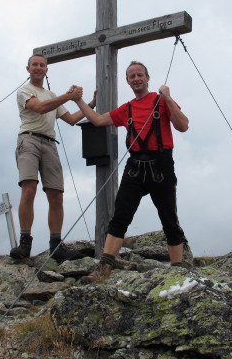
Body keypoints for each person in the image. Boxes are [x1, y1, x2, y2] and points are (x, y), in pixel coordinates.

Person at [73, 60, 189, 283]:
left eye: (140, 75)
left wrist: (167, 98)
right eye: (132, 76)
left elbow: (183, 125)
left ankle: (178, 270)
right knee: (120, 217)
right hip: (135, 166)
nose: (136, 79)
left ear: (147, 78)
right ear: (127, 81)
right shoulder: (126, 109)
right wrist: (78, 100)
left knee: (169, 219)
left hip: (161, 165)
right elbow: (97, 120)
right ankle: (104, 268)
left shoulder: (161, 100)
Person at [11, 53, 96, 262]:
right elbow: (39, 108)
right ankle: (24, 243)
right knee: (28, 189)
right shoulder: (24, 91)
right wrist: (69, 96)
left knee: (56, 195)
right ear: (28, 68)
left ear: (47, 69)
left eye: (42, 65)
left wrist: (91, 103)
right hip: (29, 139)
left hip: (49, 143)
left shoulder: (52, 95)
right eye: (35, 65)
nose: (39, 68)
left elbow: (72, 119)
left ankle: (56, 246)